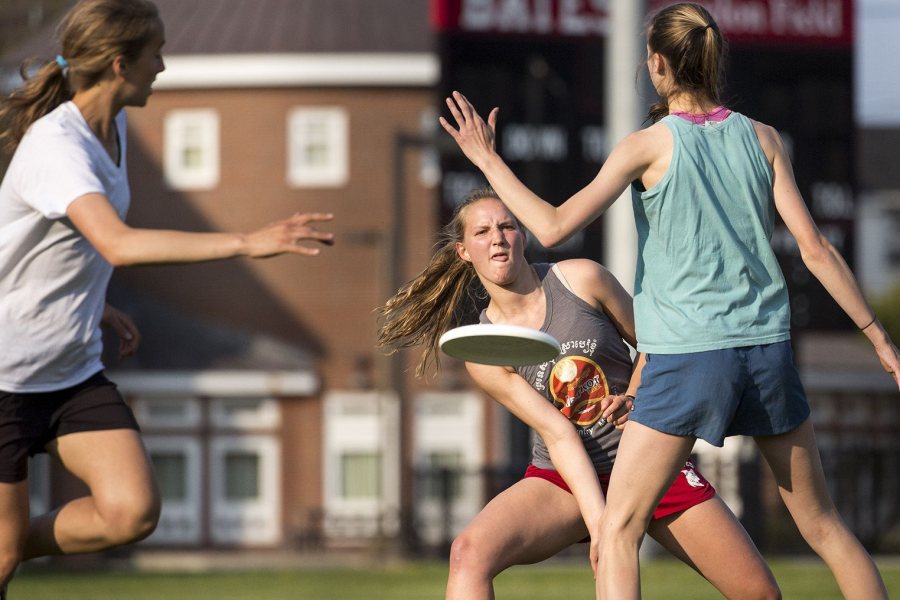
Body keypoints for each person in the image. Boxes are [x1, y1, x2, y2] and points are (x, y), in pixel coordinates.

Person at [438, 4, 900, 599]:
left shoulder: (648, 145)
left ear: (657, 64)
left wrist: (486, 159)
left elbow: (551, 228)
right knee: (826, 526)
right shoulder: (764, 138)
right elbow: (814, 250)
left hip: (688, 358)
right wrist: (879, 339)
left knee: (620, 531)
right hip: (767, 353)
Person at [0, 0, 334, 595]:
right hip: (6, 373)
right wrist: (248, 242)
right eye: (155, 52)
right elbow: (118, 244)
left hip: (69, 369)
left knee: (131, 511)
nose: (164, 65)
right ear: (120, 63)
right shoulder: (58, 146)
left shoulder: (115, 128)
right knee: (1, 553)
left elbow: (58, 249)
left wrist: (89, 302)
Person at [378, 188, 781, 600]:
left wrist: (635, 395)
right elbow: (558, 434)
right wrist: (601, 526)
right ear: (464, 251)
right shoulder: (483, 351)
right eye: (482, 231)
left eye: (507, 226)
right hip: (563, 478)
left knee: (759, 593)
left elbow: (656, 343)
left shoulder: (580, 278)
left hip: (646, 460)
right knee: (468, 552)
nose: (497, 237)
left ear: (523, 237)